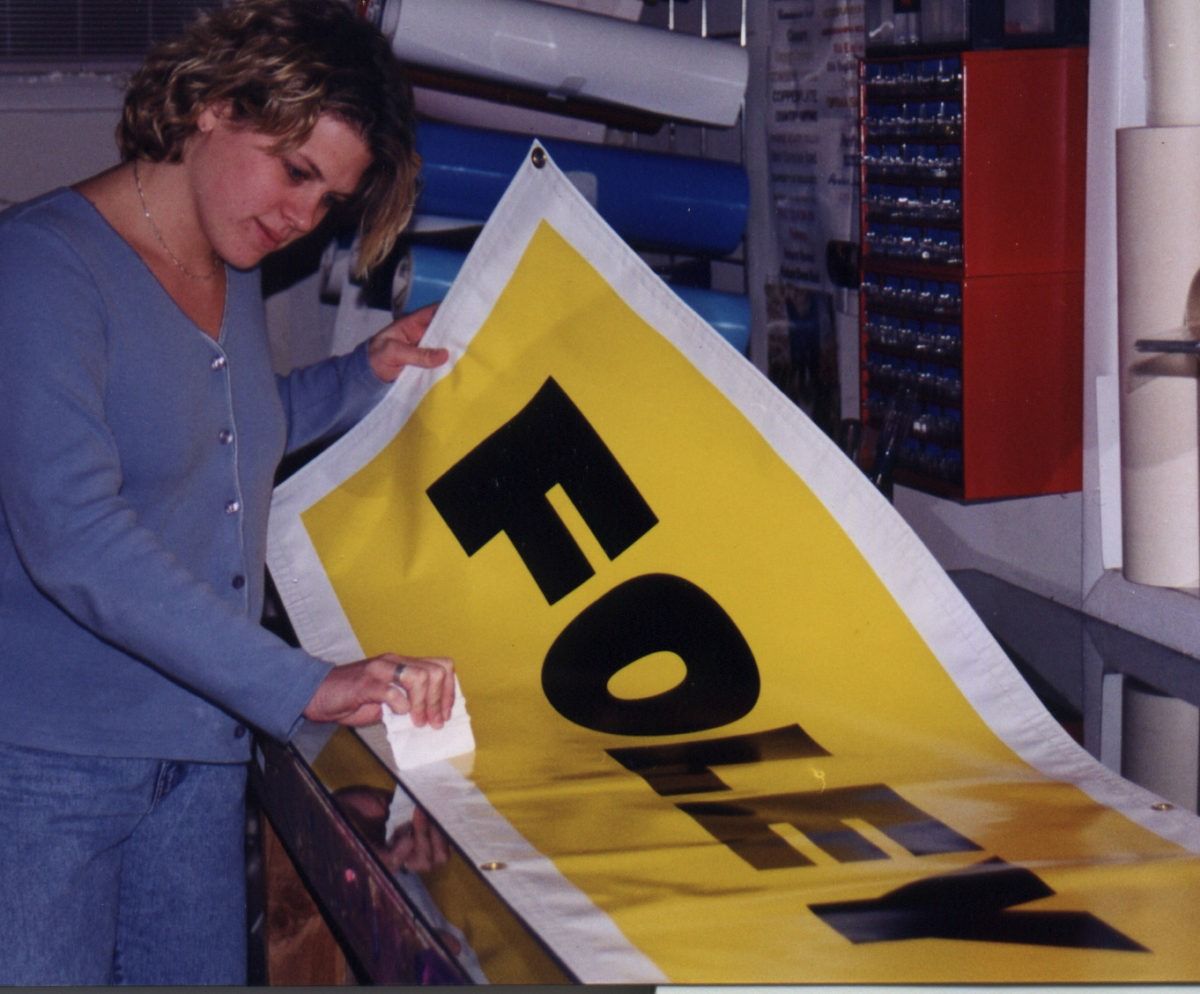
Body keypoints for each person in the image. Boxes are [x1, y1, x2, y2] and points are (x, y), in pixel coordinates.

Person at [0, 0, 454, 984]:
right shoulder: (40, 269)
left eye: (328, 199)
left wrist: (361, 376)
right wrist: (307, 683)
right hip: (41, 775)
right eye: (296, 170)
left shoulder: (231, 263)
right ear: (210, 104)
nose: (301, 215)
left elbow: (222, 427)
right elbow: (74, 534)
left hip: (200, 759)